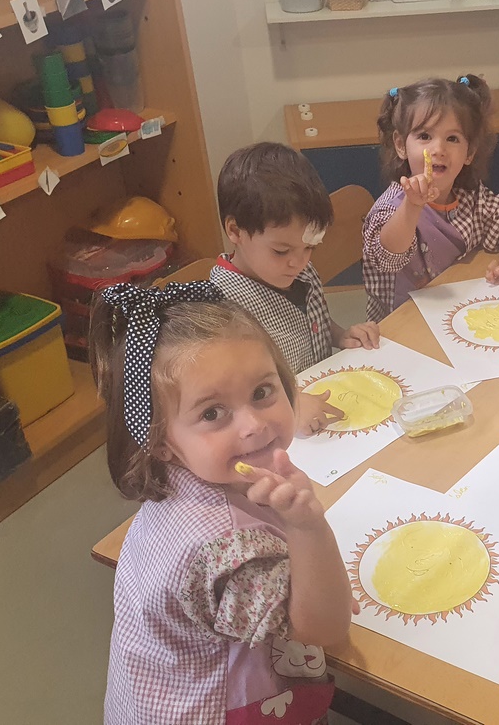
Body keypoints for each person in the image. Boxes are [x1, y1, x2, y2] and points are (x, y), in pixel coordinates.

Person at [92, 284, 353, 724]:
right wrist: (310, 530)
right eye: (212, 413)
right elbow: (324, 628)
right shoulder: (227, 547)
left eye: (262, 392)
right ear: (160, 440)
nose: (253, 425)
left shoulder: (182, 478)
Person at [211, 142, 380, 436]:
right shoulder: (222, 308)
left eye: (309, 248)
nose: (298, 262)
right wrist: (288, 404)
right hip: (279, 430)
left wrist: (339, 334)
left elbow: (308, 317)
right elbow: (228, 393)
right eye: (281, 251)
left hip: (323, 400)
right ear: (235, 231)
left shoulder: (295, 268)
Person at [362, 75, 499, 321]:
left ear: (469, 152)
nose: (438, 149)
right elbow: (388, 256)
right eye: (424, 136)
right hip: (402, 324)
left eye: (452, 139)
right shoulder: (391, 207)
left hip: (458, 312)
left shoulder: (471, 197)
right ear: (400, 145)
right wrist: (412, 205)